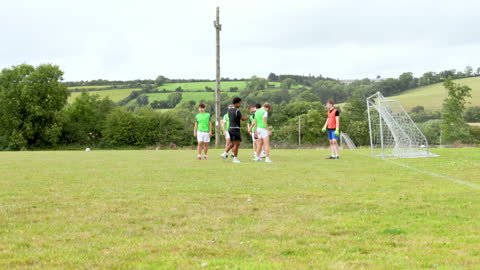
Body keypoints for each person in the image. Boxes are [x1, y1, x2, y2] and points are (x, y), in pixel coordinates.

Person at [221, 97, 249, 163]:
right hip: (236, 128)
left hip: (230, 128)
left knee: (232, 143)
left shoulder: (229, 110)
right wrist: (248, 117)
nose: (240, 104)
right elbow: (242, 118)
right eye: (239, 103)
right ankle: (235, 159)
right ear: (236, 103)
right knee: (237, 144)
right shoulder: (237, 110)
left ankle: (225, 153)